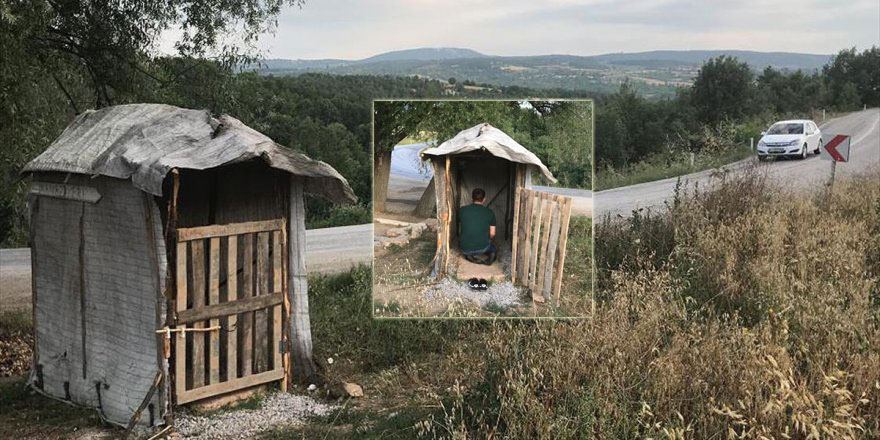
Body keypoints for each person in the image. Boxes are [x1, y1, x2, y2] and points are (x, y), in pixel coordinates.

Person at [458, 188, 497, 265]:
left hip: (466, 248)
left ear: (471, 198)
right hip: (483, 248)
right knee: (492, 247)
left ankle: (469, 255)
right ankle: (492, 254)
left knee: (462, 243)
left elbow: (460, 227)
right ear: (484, 199)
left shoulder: (462, 210)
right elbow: (492, 234)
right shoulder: (490, 212)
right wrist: (490, 240)